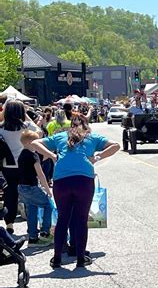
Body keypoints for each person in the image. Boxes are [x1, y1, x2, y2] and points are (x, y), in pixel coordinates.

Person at [32, 112, 120, 268]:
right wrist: (97, 157)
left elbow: (35, 143)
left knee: (63, 219)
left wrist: (52, 155)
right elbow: (116, 146)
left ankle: (57, 257)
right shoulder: (92, 137)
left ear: (70, 126)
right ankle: (80, 258)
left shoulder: (60, 137)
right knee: (81, 219)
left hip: (61, 181)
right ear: (87, 126)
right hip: (84, 180)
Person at [0, 100, 42, 235]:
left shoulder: (1, 128)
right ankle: (32, 225)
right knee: (30, 194)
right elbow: (40, 133)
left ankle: (10, 223)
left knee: (10, 194)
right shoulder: (27, 127)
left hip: (8, 165)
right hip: (26, 165)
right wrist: (28, 116)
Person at [17, 130, 54, 247]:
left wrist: (48, 154)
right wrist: (48, 189)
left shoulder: (22, 154)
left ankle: (32, 237)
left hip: (22, 187)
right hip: (32, 187)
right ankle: (45, 232)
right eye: (36, 141)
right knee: (48, 205)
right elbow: (41, 173)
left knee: (32, 209)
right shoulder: (33, 155)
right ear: (29, 142)